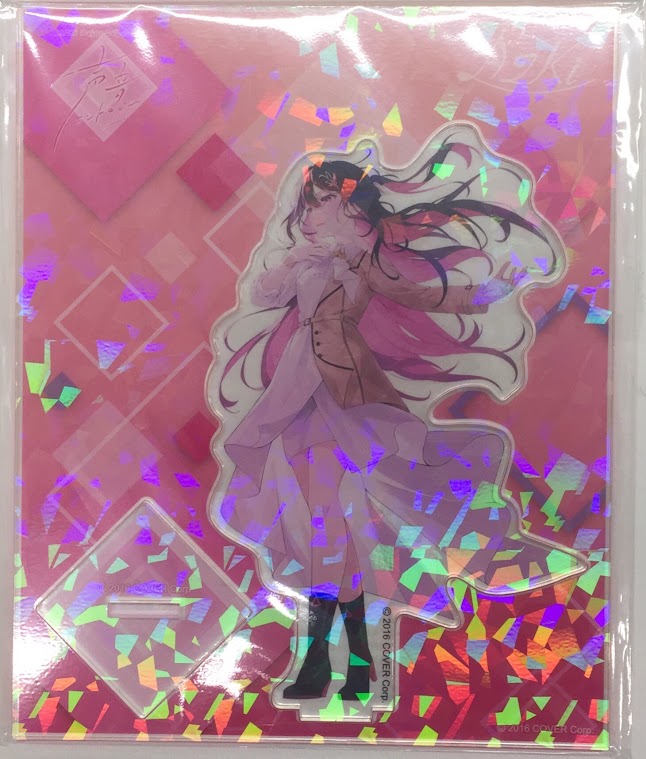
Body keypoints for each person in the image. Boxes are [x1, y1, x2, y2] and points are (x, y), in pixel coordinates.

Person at [209, 126, 586, 702]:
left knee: (332, 534)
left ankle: (336, 663)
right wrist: (298, 259)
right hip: (296, 402)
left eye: (321, 202)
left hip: (344, 402)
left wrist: (498, 288)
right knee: (321, 535)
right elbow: (263, 294)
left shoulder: (368, 265)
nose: (309, 213)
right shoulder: (308, 260)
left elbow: (429, 296)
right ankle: (338, 664)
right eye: (308, 203)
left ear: (349, 209)